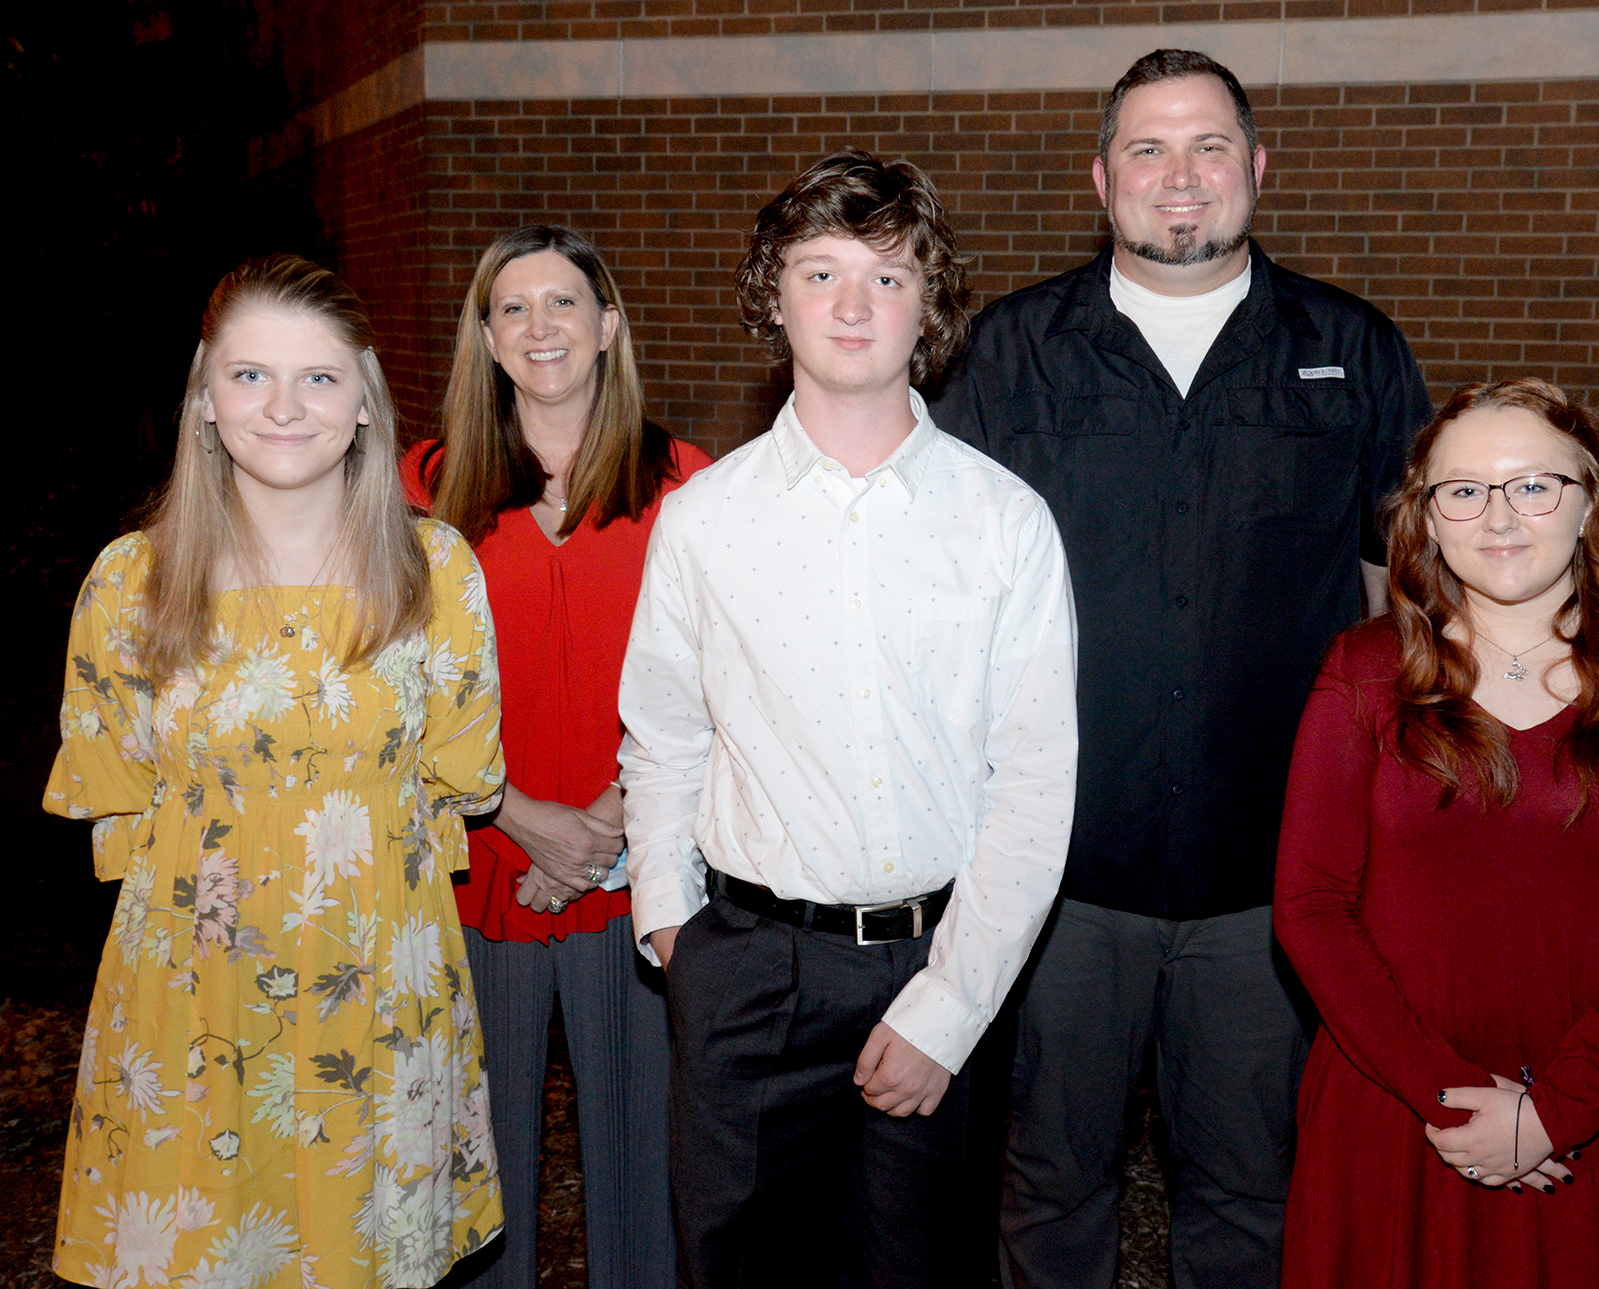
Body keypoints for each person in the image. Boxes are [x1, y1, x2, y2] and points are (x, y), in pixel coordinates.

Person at [931, 48, 1432, 1286]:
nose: (1180, 176)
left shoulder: (1349, 350)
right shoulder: (1010, 352)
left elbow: (1405, 592)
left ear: (1256, 168)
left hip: (1271, 885)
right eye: (1147, 149)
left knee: (1252, 1189)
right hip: (1057, 879)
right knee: (1048, 1185)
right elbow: (937, 600)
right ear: (1100, 180)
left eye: (1208, 145)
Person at [618, 149, 1078, 1289]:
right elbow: (666, 736)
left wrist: (954, 1003)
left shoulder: (1002, 519)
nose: (852, 304)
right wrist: (673, 924)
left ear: (930, 305)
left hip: (935, 962)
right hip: (746, 969)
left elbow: (1031, 781)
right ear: (772, 299)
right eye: (819, 273)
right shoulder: (703, 521)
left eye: (888, 275)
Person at [44, 254, 505, 1288]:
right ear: (206, 400)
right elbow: (117, 817)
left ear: (366, 402)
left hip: (380, 997)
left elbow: (458, 788)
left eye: (319, 377)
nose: (284, 407)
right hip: (195, 1006)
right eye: (251, 376)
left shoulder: (437, 574)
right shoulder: (130, 583)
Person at [1273, 378, 1599, 1288]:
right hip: (1395, 1108)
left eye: (1534, 485)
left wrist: (1551, 1115)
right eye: (1465, 490)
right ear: (1427, 519)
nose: (1500, 516)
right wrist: (1456, 1102)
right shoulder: (1364, 677)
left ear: (1590, 501)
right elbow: (1311, 909)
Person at [402, 225, 711, 1289]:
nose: (542, 326)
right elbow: (401, 689)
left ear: (608, 325)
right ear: (486, 338)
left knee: (644, 1163)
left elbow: (722, 674)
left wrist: (605, 829)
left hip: (640, 879)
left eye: (565, 303)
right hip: (475, 866)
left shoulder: (686, 482)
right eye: (515, 308)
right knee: (477, 1173)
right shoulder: (419, 490)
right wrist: (522, 816)